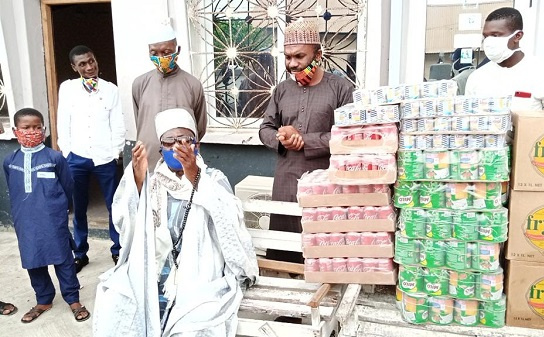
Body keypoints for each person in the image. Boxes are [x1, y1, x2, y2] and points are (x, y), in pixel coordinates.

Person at [93, 108, 258, 336]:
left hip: (199, 267)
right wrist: (137, 182)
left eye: (185, 140)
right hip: (157, 263)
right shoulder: (154, 181)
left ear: (197, 145)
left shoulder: (213, 178)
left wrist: (195, 177)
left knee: (191, 323)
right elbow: (124, 220)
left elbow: (229, 218)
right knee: (115, 300)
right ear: (161, 149)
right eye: (169, 142)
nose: (177, 147)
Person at [259, 19, 354, 263]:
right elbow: (265, 128)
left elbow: (349, 136)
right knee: (285, 248)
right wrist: (281, 138)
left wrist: (306, 140)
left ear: (318, 54)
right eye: (288, 57)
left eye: (299, 56)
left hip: (325, 179)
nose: (292, 64)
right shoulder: (281, 90)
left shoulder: (341, 89)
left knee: (323, 247)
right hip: (287, 178)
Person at [4, 108, 89, 323]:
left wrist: (58, 208)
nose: (32, 131)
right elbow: (14, 188)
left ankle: (73, 299)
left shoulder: (55, 158)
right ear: (16, 131)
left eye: (36, 127)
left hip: (52, 218)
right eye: (26, 128)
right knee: (33, 259)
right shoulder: (9, 161)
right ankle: (43, 299)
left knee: (63, 259)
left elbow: (68, 185)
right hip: (25, 220)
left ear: (44, 129)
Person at [57, 45, 126, 272]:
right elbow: (62, 122)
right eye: (83, 64)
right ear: (74, 67)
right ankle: (80, 253)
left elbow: (117, 123)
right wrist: (67, 152)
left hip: (105, 157)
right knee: (79, 207)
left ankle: (118, 249)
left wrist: (115, 152)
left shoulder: (110, 90)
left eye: (91, 61)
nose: (89, 67)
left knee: (113, 206)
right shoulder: (67, 89)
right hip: (76, 157)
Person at [132, 21, 208, 171]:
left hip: (183, 164)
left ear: (177, 50)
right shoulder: (139, 84)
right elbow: (140, 123)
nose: (160, 58)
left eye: (166, 52)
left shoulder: (193, 84)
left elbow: (199, 128)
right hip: (148, 163)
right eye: (154, 53)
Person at [465, 7, 544, 110]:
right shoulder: (477, 78)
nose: (488, 41)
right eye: (486, 36)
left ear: (517, 36)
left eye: (495, 35)